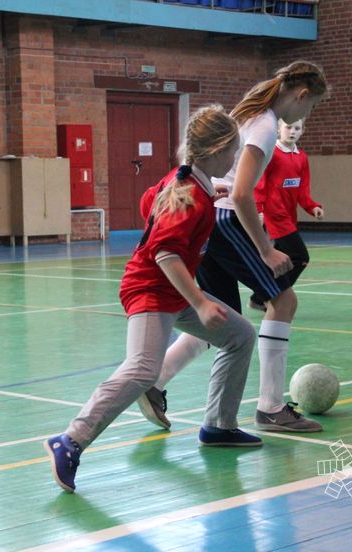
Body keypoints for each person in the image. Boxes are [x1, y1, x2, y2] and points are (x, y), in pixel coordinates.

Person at [44, 105, 260, 494]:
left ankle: (219, 426)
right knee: (143, 369)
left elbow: (149, 204)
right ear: (216, 152)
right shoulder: (189, 194)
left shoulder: (184, 182)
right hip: (150, 289)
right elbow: (165, 253)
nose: (235, 159)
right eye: (234, 151)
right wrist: (200, 303)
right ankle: (70, 440)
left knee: (240, 335)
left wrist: (208, 196)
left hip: (170, 290)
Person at [137, 60, 330, 434]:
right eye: (313, 105)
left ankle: (155, 380)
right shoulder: (265, 126)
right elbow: (241, 194)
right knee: (284, 302)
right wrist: (265, 249)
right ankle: (271, 407)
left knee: (221, 318)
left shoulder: (254, 114)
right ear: (302, 95)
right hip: (227, 221)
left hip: (213, 218)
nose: (309, 112)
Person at [248, 118, 323, 312]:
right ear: (278, 129)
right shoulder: (271, 153)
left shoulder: (301, 157)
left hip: (289, 217)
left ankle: (258, 298)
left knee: (283, 261)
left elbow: (303, 190)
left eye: (297, 128)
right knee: (300, 257)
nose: (292, 131)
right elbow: (260, 183)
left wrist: (312, 207)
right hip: (275, 215)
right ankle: (270, 295)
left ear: (303, 131)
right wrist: (259, 209)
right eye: (288, 127)